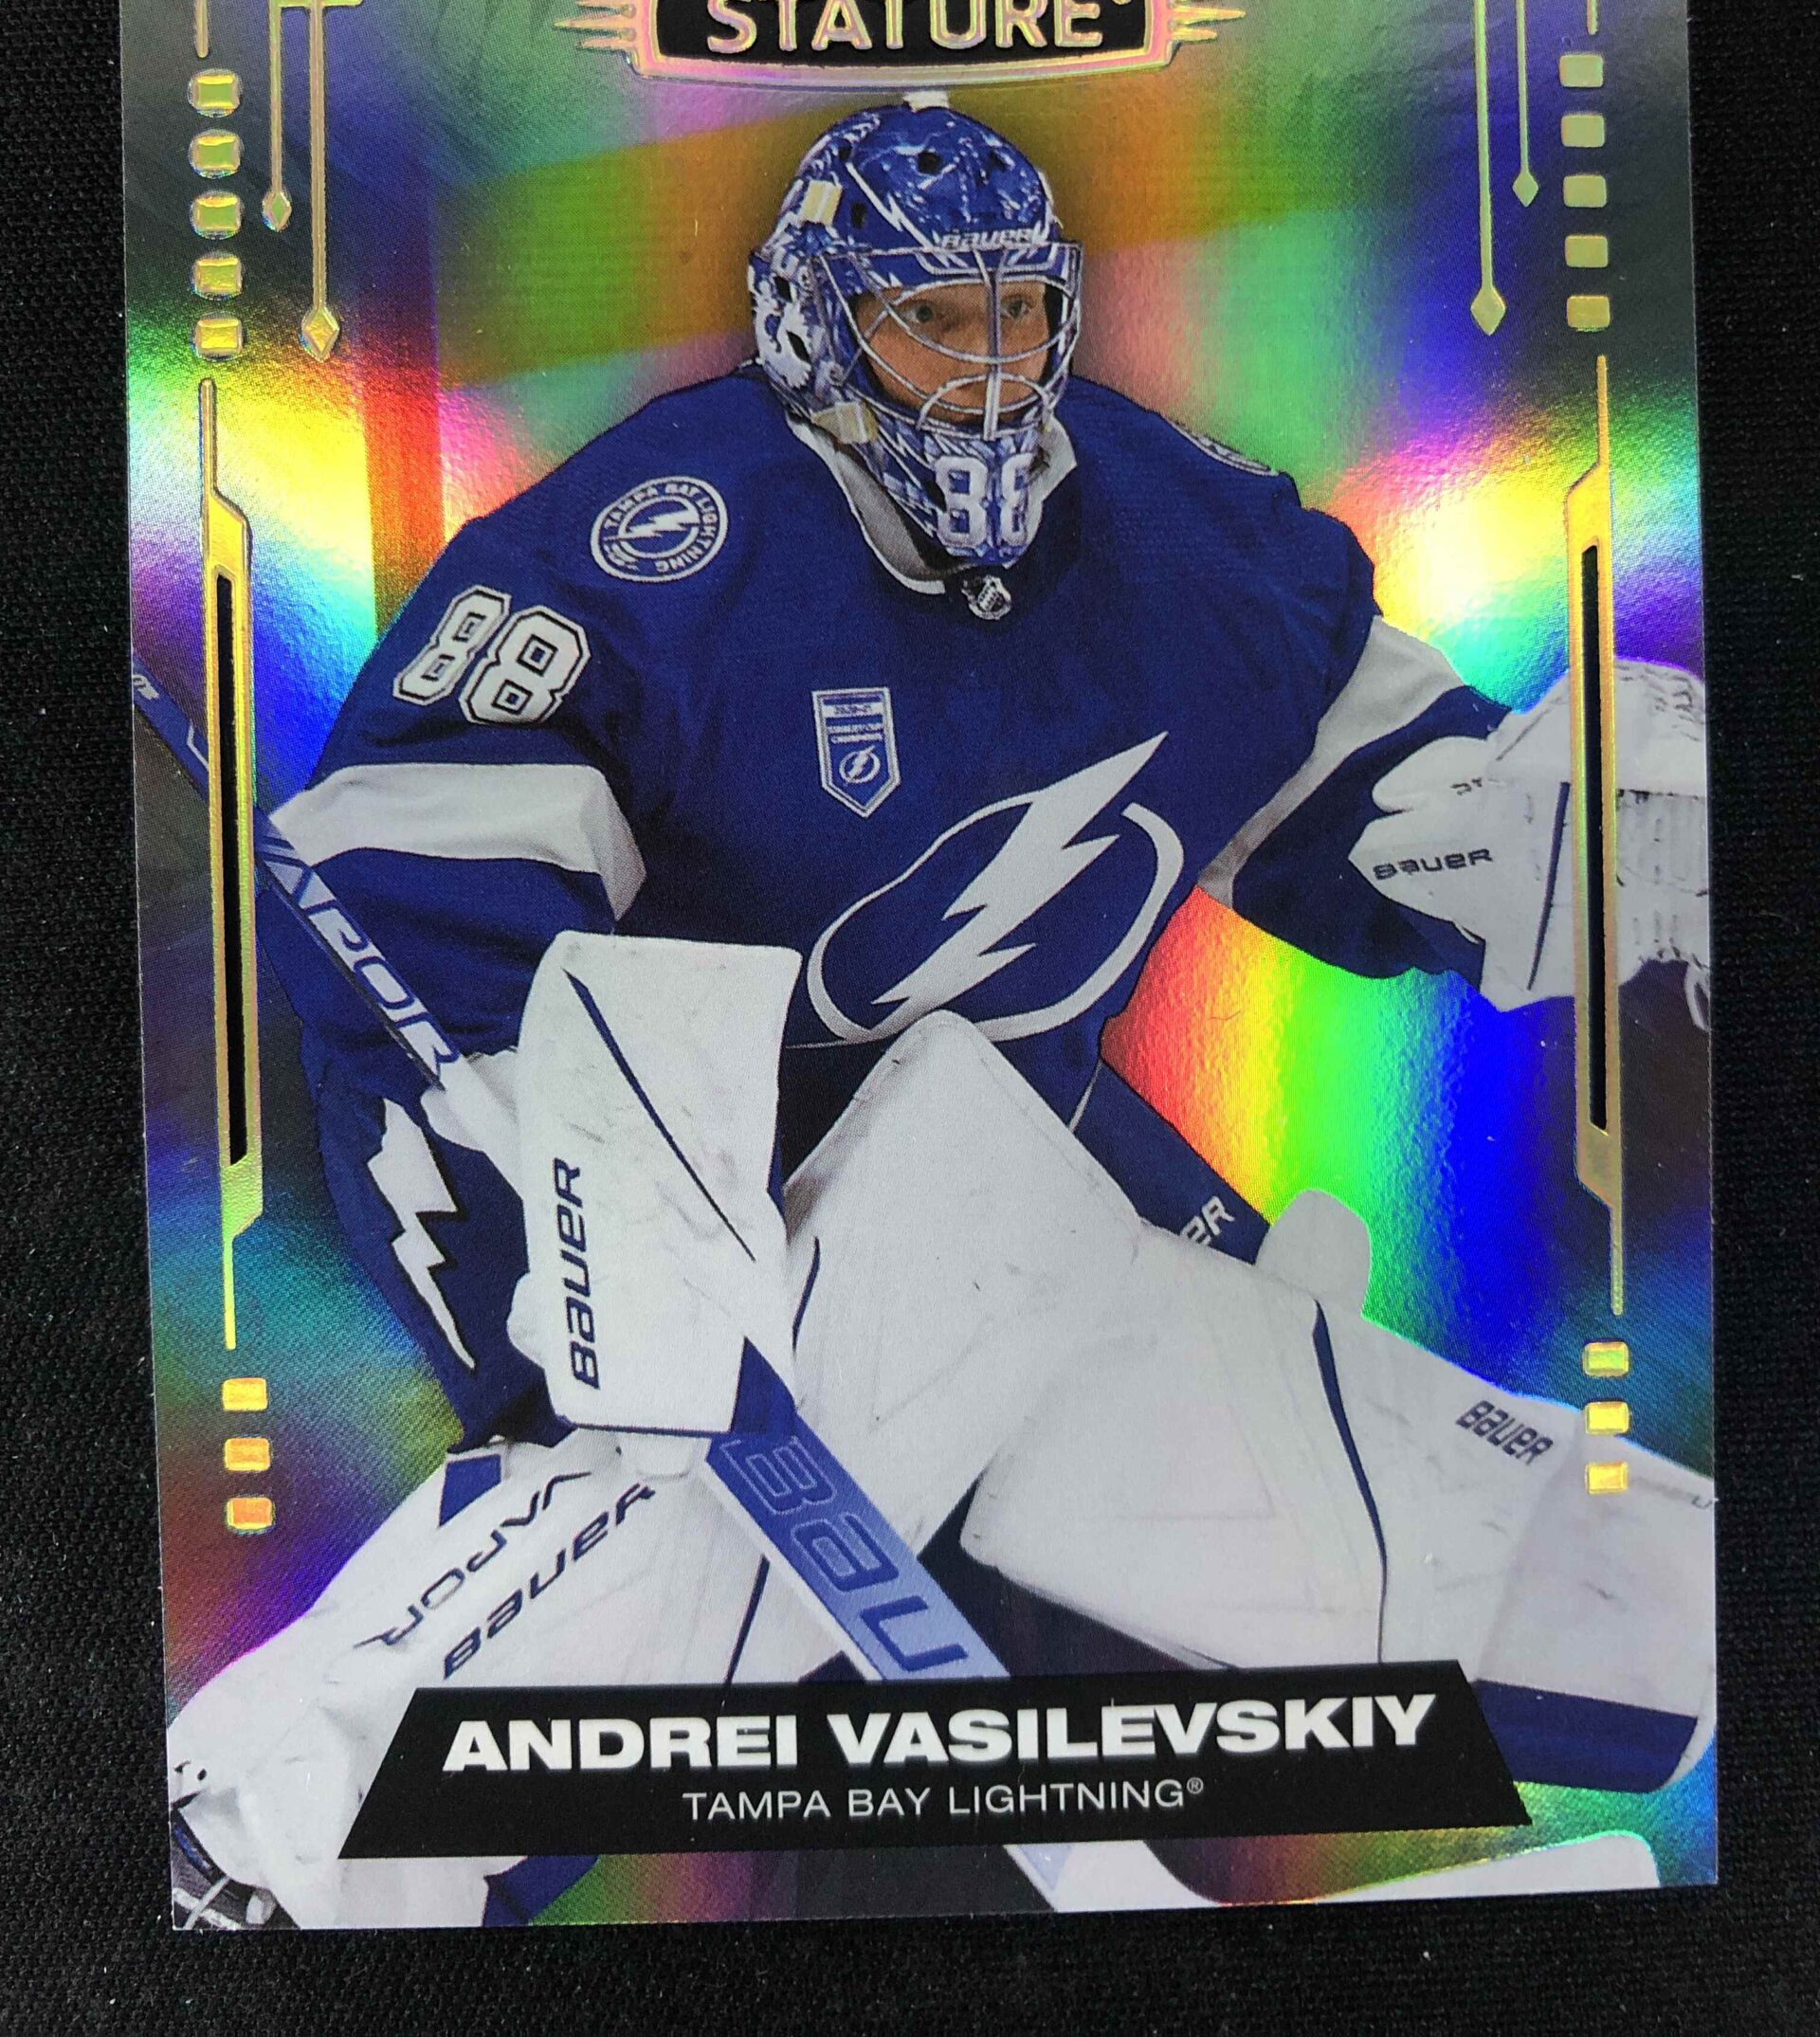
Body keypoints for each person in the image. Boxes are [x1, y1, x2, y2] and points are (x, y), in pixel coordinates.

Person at [167, 99, 1712, 1929]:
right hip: (644, 1155)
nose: (986, 374)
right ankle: (256, 1852)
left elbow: (1389, 806)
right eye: (930, 323)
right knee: (671, 1501)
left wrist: (1577, 834)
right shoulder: (669, 536)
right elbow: (408, 848)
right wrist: (574, 1145)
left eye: (1017, 317)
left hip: (1009, 1158)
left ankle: (1696, 1651)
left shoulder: (1175, 534)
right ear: (821, 325)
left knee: (1533, 1557)